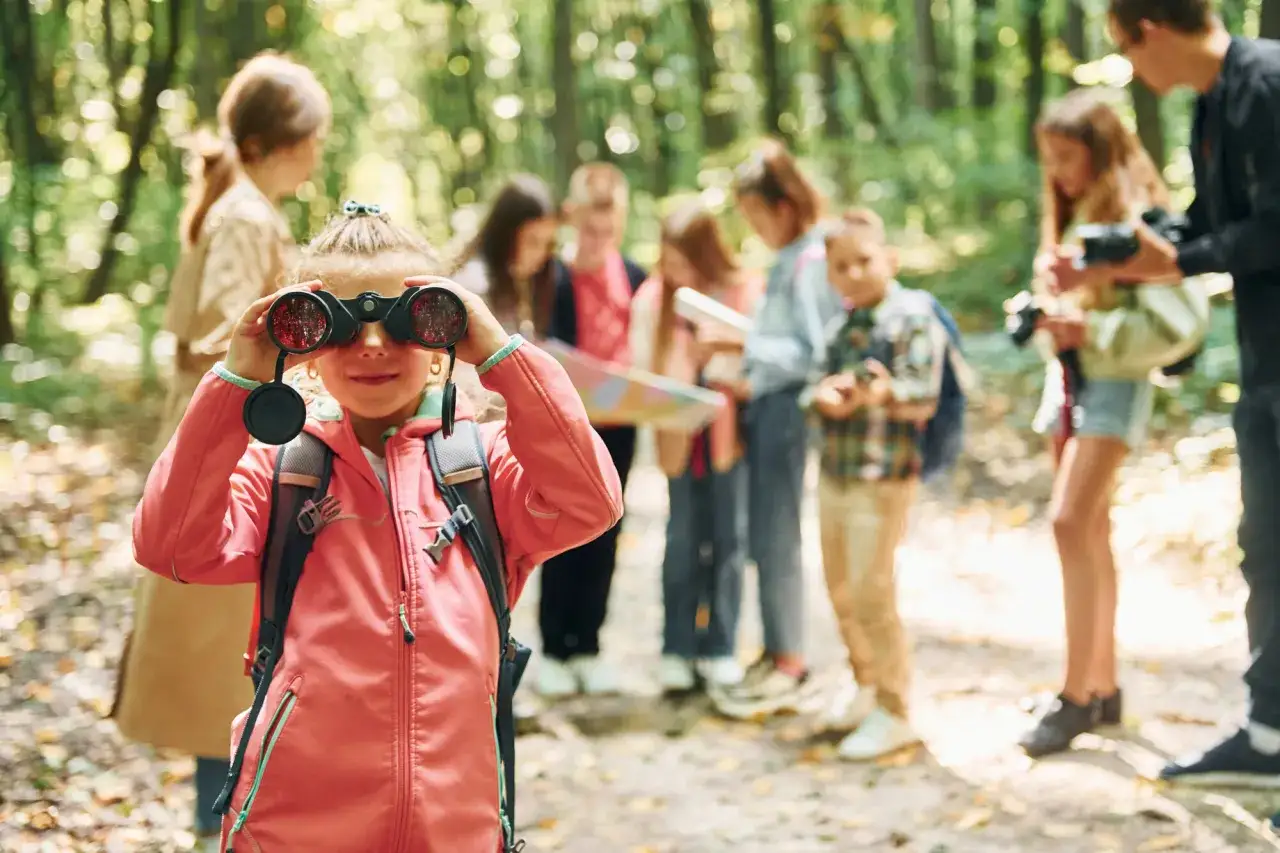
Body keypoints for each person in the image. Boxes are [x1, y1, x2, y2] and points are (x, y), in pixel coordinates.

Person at [131, 203, 624, 851]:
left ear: (444, 335)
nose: (370, 344)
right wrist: (235, 377)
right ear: (302, 345)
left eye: (402, 319)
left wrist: (502, 352)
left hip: (454, 829)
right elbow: (169, 545)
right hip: (294, 828)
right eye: (336, 324)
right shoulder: (282, 471)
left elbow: (591, 499)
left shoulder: (482, 468)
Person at [1054, 0, 1280, 786]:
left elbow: (1273, 228)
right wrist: (1128, 257)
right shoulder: (1212, 106)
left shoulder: (1268, 81)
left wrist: (1179, 264)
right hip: (1264, 369)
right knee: (1268, 548)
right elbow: (1212, 224)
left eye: (1123, 48)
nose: (1131, 67)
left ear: (1147, 30)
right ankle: (1269, 733)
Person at [110, 52, 330, 849]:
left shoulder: (247, 207)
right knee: (224, 658)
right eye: (316, 137)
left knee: (241, 649)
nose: (320, 152)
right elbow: (228, 338)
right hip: (229, 447)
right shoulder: (243, 214)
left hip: (237, 439)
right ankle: (223, 823)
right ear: (288, 138)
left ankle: (236, 813)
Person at [1019, 90, 1207, 757]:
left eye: (1069, 158)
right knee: (1089, 529)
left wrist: (1088, 324)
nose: (1061, 173)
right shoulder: (1073, 219)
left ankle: (1074, 695)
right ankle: (1099, 685)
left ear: (1100, 153)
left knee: (1069, 521)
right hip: (1068, 382)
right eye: (1051, 161)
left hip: (1113, 385)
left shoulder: (1137, 221)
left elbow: (1180, 323)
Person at [804, 208, 946, 760]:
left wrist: (885, 393)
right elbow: (813, 385)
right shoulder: (842, 325)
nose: (855, 273)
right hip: (836, 473)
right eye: (842, 266)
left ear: (889, 258)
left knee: (871, 589)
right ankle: (865, 684)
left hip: (882, 477)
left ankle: (895, 707)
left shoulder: (910, 317)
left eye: (865, 260)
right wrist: (823, 396)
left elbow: (924, 395)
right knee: (840, 587)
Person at [710, 140, 841, 719]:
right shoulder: (789, 259)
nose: (756, 229)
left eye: (757, 216)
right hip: (766, 405)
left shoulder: (813, 261)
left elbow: (818, 350)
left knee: (778, 534)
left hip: (789, 411)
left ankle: (791, 660)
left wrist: (747, 345)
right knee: (762, 533)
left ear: (784, 204)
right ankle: (774, 651)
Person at [630, 201, 762, 693]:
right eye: (669, 259)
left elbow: (759, 364)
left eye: (684, 259)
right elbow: (642, 369)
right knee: (683, 540)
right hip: (677, 432)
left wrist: (722, 356)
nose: (675, 270)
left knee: (729, 540)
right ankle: (677, 647)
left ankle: (721, 645)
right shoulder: (651, 299)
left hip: (730, 432)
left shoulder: (743, 290)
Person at [536, 162, 647, 697]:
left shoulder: (635, 276)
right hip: (568, 426)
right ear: (571, 216)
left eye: (611, 227)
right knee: (563, 531)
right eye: (590, 226)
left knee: (606, 531)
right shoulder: (552, 277)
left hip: (620, 424)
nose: (600, 238)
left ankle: (590, 645)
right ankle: (555, 646)